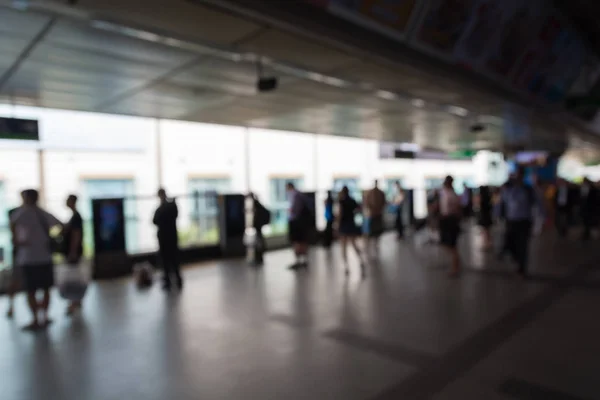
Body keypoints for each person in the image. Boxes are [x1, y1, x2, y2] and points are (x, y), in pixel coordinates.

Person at [10, 189, 62, 330]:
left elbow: (14, 238)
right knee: (45, 289)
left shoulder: (18, 215)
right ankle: (44, 316)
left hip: (27, 258)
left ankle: (35, 319)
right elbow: (60, 225)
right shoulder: (42, 213)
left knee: (31, 290)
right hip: (44, 256)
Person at [503, 168, 537, 278]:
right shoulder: (509, 188)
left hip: (524, 221)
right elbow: (504, 202)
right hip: (511, 221)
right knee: (510, 242)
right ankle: (516, 259)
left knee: (523, 245)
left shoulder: (528, 190)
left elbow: (536, 205)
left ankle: (522, 267)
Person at [153, 188, 182, 291]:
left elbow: (154, 221)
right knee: (174, 259)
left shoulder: (160, 209)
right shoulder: (171, 206)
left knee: (166, 261)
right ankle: (178, 280)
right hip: (172, 236)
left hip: (164, 238)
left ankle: (169, 281)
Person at [336, 186, 366, 277]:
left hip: (344, 225)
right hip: (351, 224)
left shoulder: (341, 201)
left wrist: (337, 224)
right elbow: (359, 209)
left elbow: (340, 214)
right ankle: (361, 260)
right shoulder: (352, 200)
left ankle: (346, 266)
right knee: (354, 244)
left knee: (343, 246)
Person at [6, 190, 26, 319]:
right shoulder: (16, 213)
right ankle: (11, 305)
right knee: (15, 280)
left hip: (29, 253)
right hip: (20, 252)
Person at [62, 194, 84, 316]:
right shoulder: (74, 217)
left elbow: (76, 235)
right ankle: (77, 300)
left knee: (73, 278)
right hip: (73, 251)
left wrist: (73, 251)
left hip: (73, 252)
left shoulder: (76, 217)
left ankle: (74, 300)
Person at [439, 176, 462, 277]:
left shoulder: (453, 194)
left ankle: (455, 267)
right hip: (446, 219)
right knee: (446, 243)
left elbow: (457, 208)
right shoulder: (445, 193)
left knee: (452, 245)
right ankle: (455, 263)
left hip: (451, 220)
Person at [286, 182, 310, 270]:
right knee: (303, 241)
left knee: (296, 241)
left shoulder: (294, 196)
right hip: (302, 222)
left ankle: (298, 260)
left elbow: (294, 210)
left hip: (296, 222)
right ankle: (304, 260)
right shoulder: (300, 195)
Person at [363, 180, 386, 258]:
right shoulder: (372, 193)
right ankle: (372, 245)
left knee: (376, 230)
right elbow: (367, 203)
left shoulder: (379, 193)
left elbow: (383, 202)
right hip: (374, 214)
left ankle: (374, 245)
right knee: (372, 231)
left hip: (376, 214)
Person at [248, 192, 270, 265]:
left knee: (258, 242)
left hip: (258, 226)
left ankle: (258, 258)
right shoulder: (257, 203)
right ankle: (258, 258)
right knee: (258, 242)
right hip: (258, 226)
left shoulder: (255, 204)